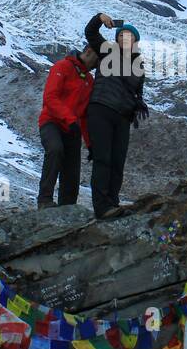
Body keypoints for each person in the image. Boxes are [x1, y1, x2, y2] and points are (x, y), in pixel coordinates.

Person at [84, 12, 148, 219]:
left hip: (122, 116)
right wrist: (99, 18)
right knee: (103, 158)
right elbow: (90, 32)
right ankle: (102, 208)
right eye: (121, 35)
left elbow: (137, 92)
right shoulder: (107, 50)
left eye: (129, 35)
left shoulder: (139, 66)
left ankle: (113, 202)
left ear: (135, 41)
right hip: (101, 108)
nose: (124, 37)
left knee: (118, 161)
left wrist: (137, 105)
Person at [37, 44, 98, 208]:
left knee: (72, 171)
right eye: (97, 59)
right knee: (55, 150)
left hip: (72, 128)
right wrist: (70, 119)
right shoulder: (62, 66)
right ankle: (44, 200)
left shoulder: (89, 80)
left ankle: (68, 207)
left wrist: (90, 143)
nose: (97, 64)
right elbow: (50, 98)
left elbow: (85, 115)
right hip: (51, 122)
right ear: (88, 51)